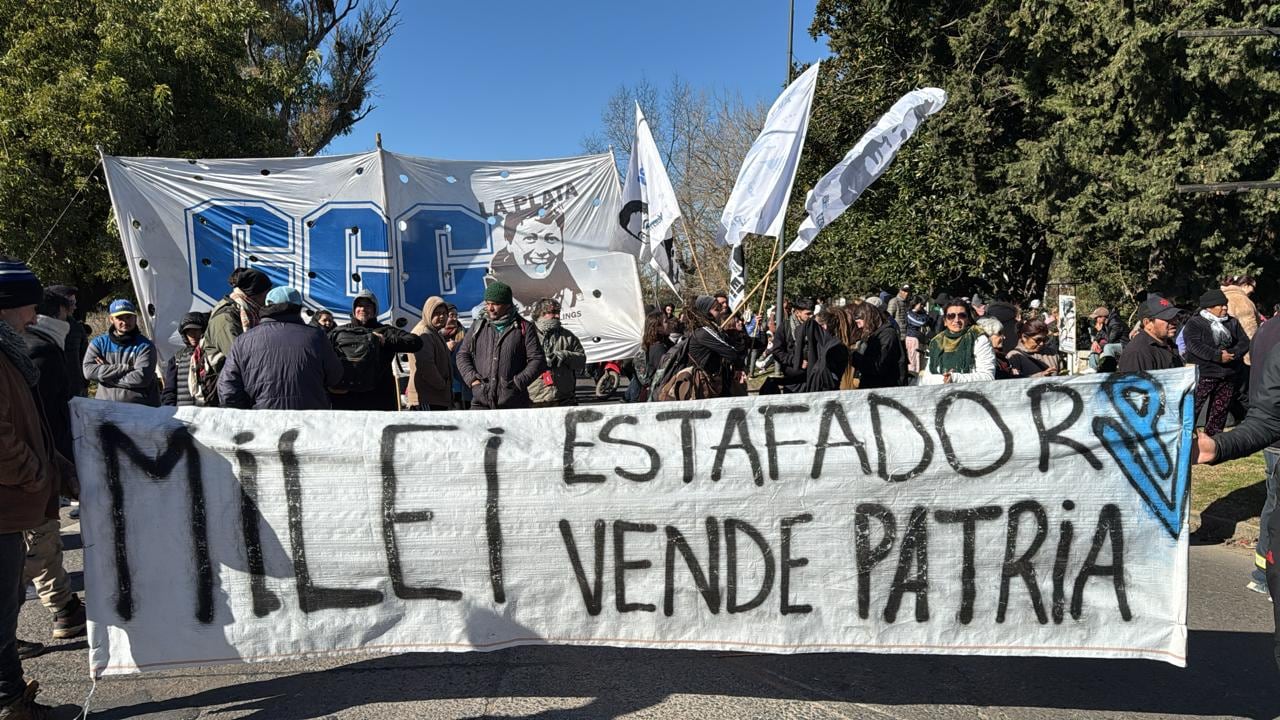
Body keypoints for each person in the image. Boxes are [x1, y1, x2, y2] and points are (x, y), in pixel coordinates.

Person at [0, 257, 81, 718]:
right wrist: (36, 474)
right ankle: (10, 705)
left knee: (8, 604)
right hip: (7, 504)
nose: (34, 317)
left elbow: (28, 428)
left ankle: (11, 699)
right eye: (27, 307)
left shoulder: (9, 352)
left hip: (12, 507)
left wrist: (59, 467)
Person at [20, 290, 86, 644]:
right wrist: (54, 463)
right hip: (36, 467)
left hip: (40, 462)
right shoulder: (40, 349)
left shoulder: (36, 344)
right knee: (35, 545)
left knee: (44, 538)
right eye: (70, 309)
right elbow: (42, 418)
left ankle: (65, 609)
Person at [217, 287, 343, 410]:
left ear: (267, 306)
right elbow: (335, 376)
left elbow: (228, 388)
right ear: (298, 308)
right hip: (308, 423)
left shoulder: (243, 341)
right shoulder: (317, 337)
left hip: (261, 423)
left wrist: (246, 417)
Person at [457, 281, 546, 410]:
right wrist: (473, 381)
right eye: (488, 303)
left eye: (496, 304)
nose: (490, 308)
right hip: (480, 403)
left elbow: (538, 360)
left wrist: (517, 383)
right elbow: (462, 355)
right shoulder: (478, 326)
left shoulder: (525, 328)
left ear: (508, 305)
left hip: (514, 403)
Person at [328, 290, 423, 411]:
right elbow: (321, 356)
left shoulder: (385, 330)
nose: (363, 309)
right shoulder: (339, 332)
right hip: (346, 399)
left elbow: (416, 342)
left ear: (375, 310)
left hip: (379, 400)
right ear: (354, 309)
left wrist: (386, 341)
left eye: (368, 306)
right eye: (359, 305)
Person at [1183, 288, 1250, 436]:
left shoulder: (1232, 322)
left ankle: (1212, 439)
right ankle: (1185, 437)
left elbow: (1244, 342)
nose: (1225, 307)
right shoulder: (1195, 323)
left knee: (1220, 410)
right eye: (1220, 305)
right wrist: (1217, 355)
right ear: (1209, 307)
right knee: (1193, 407)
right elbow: (1194, 344)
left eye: (1225, 304)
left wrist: (1233, 354)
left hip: (1228, 373)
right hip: (1204, 373)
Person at [487, 205, 582, 310]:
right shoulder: (496, 285)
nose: (542, 251)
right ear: (509, 244)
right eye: (530, 239)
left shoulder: (569, 283)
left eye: (551, 239)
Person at [201, 267, 272, 404]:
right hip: (226, 391)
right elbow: (236, 356)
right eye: (266, 292)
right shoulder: (226, 318)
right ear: (254, 294)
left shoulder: (248, 312)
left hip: (243, 384)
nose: (268, 297)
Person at [83, 299, 159, 405]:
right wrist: (123, 368)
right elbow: (88, 372)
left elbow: (140, 379)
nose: (125, 322)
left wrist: (107, 377)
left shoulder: (145, 346)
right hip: (105, 408)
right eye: (119, 318)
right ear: (111, 319)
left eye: (128, 317)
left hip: (139, 409)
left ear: (135, 318)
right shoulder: (99, 343)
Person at [681, 295, 746, 397]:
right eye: (716, 309)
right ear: (706, 312)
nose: (720, 312)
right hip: (703, 385)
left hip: (713, 382)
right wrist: (739, 366)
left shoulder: (713, 329)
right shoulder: (703, 332)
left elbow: (736, 347)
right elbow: (731, 352)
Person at [920, 300, 995, 384]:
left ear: (968, 319)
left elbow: (988, 377)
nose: (956, 320)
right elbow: (926, 378)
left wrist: (954, 378)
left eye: (962, 315)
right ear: (945, 321)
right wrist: (943, 379)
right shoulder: (936, 342)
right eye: (951, 316)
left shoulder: (979, 339)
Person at [528, 297, 586, 407]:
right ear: (540, 313)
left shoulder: (567, 336)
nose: (558, 316)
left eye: (558, 312)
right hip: (535, 399)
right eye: (553, 312)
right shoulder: (526, 335)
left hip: (564, 398)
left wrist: (564, 356)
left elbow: (582, 360)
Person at [760, 297, 815, 394]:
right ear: (798, 312)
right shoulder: (785, 327)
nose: (811, 316)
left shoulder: (815, 327)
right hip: (793, 381)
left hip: (812, 378)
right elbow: (777, 352)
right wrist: (796, 361)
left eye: (812, 313)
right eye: (808, 314)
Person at [407, 297, 452, 411]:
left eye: (444, 313)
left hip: (436, 397)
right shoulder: (423, 334)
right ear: (428, 313)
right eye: (436, 313)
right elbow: (426, 366)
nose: (442, 317)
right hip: (427, 398)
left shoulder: (434, 332)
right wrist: (442, 385)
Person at [1118, 295, 1183, 372]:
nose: (1175, 322)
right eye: (1167, 318)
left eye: (1175, 317)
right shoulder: (1138, 353)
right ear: (1147, 323)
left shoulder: (1168, 344)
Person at [848, 301, 904, 388]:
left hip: (884, 388)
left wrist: (854, 356)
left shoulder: (887, 335)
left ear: (868, 319)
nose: (859, 327)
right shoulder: (875, 335)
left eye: (859, 322)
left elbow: (878, 365)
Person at [43, 286, 86, 398]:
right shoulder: (40, 329)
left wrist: (84, 383)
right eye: (71, 303)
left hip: (76, 389)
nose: (74, 307)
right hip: (50, 390)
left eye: (75, 302)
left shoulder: (77, 329)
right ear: (60, 306)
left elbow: (83, 357)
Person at [160, 312, 208, 407]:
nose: (193, 335)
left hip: (206, 414)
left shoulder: (210, 354)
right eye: (189, 331)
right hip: (184, 413)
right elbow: (169, 390)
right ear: (184, 334)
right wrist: (169, 410)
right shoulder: (177, 359)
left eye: (196, 330)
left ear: (203, 331)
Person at [1087, 306, 1128, 372]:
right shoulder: (1105, 323)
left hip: (1124, 345)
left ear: (1103, 317)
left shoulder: (1116, 324)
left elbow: (1110, 340)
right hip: (1114, 343)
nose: (1095, 319)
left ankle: (1108, 369)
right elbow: (1101, 335)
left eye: (1096, 317)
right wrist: (1095, 341)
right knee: (1095, 345)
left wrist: (1100, 331)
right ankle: (1093, 368)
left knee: (1108, 347)